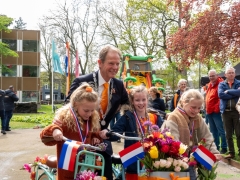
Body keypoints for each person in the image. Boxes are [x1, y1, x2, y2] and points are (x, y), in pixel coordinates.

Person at [63, 45, 129, 180]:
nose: (115, 67)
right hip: (81, 142)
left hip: (103, 142)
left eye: (117, 63)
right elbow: (67, 107)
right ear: (100, 63)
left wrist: (114, 132)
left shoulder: (119, 85)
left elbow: (129, 109)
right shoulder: (82, 81)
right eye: (111, 63)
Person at [40, 83, 103, 180]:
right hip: (68, 167)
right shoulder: (65, 118)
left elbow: (95, 133)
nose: (89, 114)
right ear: (75, 104)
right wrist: (55, 130)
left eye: (92, 110)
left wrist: (97, 137)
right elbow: (44, 137)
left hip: (86, 166)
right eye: (86, 110)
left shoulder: (92, 119)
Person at [100, 85, 164, 180]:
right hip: (134, 159)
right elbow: (116, 132)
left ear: (147, 99)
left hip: (153, 160)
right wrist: (107, 133)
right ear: (132, 102)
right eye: (137, 100)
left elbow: (164, 135)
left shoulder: (155, 117)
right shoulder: (128, 117)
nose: (141, 103)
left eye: (143, 99)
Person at [162, 89, 222, 180]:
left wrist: (214, 152)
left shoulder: (198, 118)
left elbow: (207, 136)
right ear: (183, 102)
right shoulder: (174, 117)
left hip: (190, 161)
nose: (196, 111)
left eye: (199, 108)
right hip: (174, 162)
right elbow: (173, 140)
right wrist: (181, 157)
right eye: (193, 107)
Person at [218, 67, 240, 159]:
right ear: (225, 75)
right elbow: (221, 95)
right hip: (226, 112)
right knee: (228, 134)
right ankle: (231, 153)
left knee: (239, 133)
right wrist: (235, 93)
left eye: (232, 73)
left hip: (237, 112)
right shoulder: (221, 84)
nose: (231, 74)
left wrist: (229, 91)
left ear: (234, 74)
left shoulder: (239, 83)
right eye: (229, 73)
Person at [205, 70, 228, 154]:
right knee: (213, 131)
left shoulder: (221, 84)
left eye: (213, 76)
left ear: (217, 75)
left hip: (216, 111)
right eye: (210, 76)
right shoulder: (210, 85)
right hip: (209, 111)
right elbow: (207, 97)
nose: (211, 77)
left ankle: (224, 147)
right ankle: (216, 147)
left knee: (220, 130)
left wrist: (215, 108)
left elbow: (220, 98)